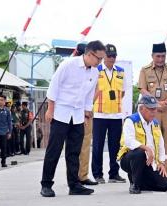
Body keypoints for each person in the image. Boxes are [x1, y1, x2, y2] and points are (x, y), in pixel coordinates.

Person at [40, 40, 106, 197]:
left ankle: (74, 185)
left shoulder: (95, 72)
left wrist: (88, 112)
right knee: (54, 151)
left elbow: (89, 95)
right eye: (99, 58)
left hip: (77, 116)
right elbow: (54, 86)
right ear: (90, 54)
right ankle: (46, 185)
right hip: (61, 113)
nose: (101, 62)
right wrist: (50, 109)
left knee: (74, 152)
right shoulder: (68, 65)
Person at [138, 43, 167, 183]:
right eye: (158, 56)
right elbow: (142, 89)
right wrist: (155, 103)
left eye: (163, 56)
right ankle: (153, 172)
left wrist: (166, 102)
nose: (160, 59)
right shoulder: (145, 70)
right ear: (152, 56)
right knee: (152, 140)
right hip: (152, 110)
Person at [117, 95, 167, 194]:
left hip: (148, 162)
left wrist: (161, 163)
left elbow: (161, 144)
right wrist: (146, 148)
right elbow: (128, 141)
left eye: (155, 109)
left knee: (164, 185)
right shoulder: (131, 120)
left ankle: (140, 181)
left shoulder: (155, 123)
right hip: (130, 159)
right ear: (141, 108)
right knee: (139, 152)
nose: (154, 112)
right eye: (151, 109)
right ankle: (134, 184)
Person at [91, 44, 126, 184]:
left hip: (116, 115)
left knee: (115, 146)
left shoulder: (121, 72)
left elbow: (122, 92)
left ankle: (114, 174)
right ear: (103, 56)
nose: (111, 58)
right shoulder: (96, 70)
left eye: (114, 56)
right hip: (99, 114)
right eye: (109, 56)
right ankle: (97, 174)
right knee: (98, 146)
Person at [72, 42, 99, 186]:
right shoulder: (70, 67)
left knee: (86, 143)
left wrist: (87, 108)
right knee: (73, 145)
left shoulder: (93, 71)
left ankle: (83, 175)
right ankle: (73, 176)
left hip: (86, 111)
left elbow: (96, 90)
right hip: (71, 111)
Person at [0, 95, 12, 167]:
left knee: (3, 147)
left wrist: (10, 132)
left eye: (1, 100)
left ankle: (3, 162)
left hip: (3, 132)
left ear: (4, 101)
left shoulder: (7, 111)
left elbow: (9, 122)